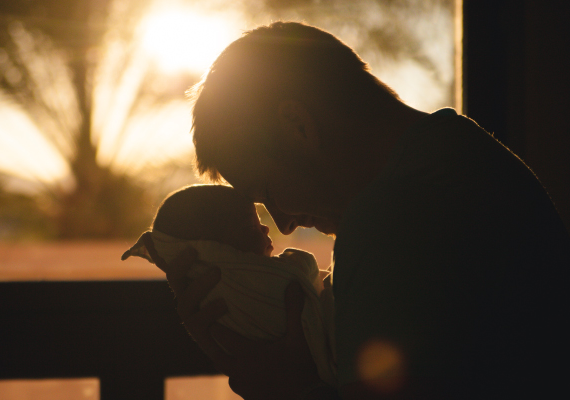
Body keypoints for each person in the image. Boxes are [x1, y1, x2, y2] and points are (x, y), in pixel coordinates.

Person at [153, 21, 569, 400]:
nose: (282, 222)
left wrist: (284, 388)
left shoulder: (391, 218)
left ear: (297, 125)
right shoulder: (467, 156)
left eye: (269, 193)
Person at [122, 184, 338, 386]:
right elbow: (305, 273)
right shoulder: (247, 284)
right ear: (213, 250)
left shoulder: (212, 297)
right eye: (250, 226)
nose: (268, 228)